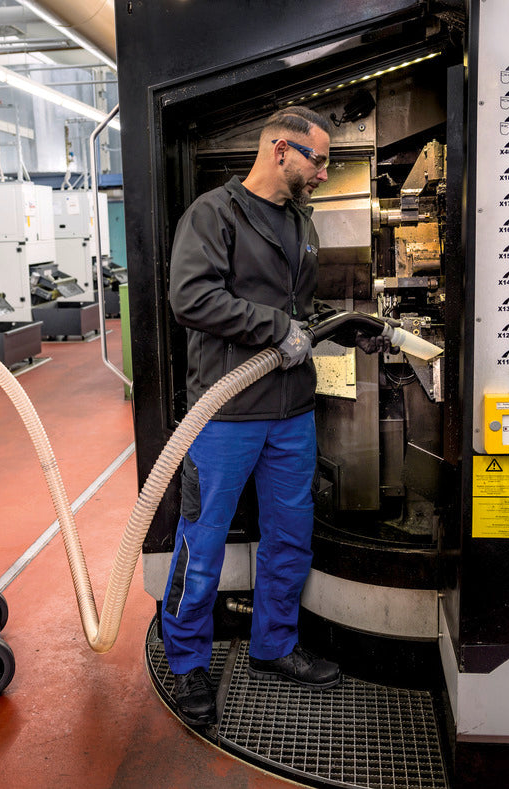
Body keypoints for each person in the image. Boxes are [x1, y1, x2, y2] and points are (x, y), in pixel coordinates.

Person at [162, 106, 372, 727]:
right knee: (202, 544)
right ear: (282, 150)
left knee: (290, 537)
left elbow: (294, 310)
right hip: (226, 412)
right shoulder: (214, 214)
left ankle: (274, 644)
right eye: (319, 160)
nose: (325, 173)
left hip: (291, 411)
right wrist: (276, 328)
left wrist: (336, 325)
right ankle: (187, 663)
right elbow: (191, 298)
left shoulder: (300, 219)